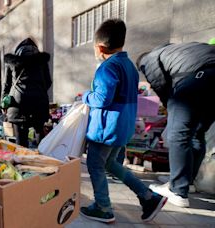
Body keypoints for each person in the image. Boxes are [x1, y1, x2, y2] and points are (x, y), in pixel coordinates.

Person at [80, 19, 167, 223]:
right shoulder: (129, 65)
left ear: (100, 47)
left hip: (106, 129)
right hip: (123, 127)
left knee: (95, 165)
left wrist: (85, 96)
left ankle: (103, 207)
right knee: (112, 164)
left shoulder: (107, 67)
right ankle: (148, 197)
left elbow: (102, 99)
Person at [136, 42, 215, 207]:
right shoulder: (177, 50)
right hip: (208, 80)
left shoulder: (148, 59)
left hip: (197, 79)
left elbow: (160, 85)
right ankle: (187, 182)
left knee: (179, 134)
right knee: (197, 133)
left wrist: (170, 109)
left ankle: (178, 190)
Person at [2, 38, 52, 147]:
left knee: (21, 140)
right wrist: (38, 90)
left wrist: (3, 102)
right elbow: (48, 81)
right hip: (39, 102)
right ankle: (41, 160)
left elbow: (6, 84)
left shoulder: (12, 62)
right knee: (39, 133)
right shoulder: (41, 61)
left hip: (18, 103)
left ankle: (22, 161)